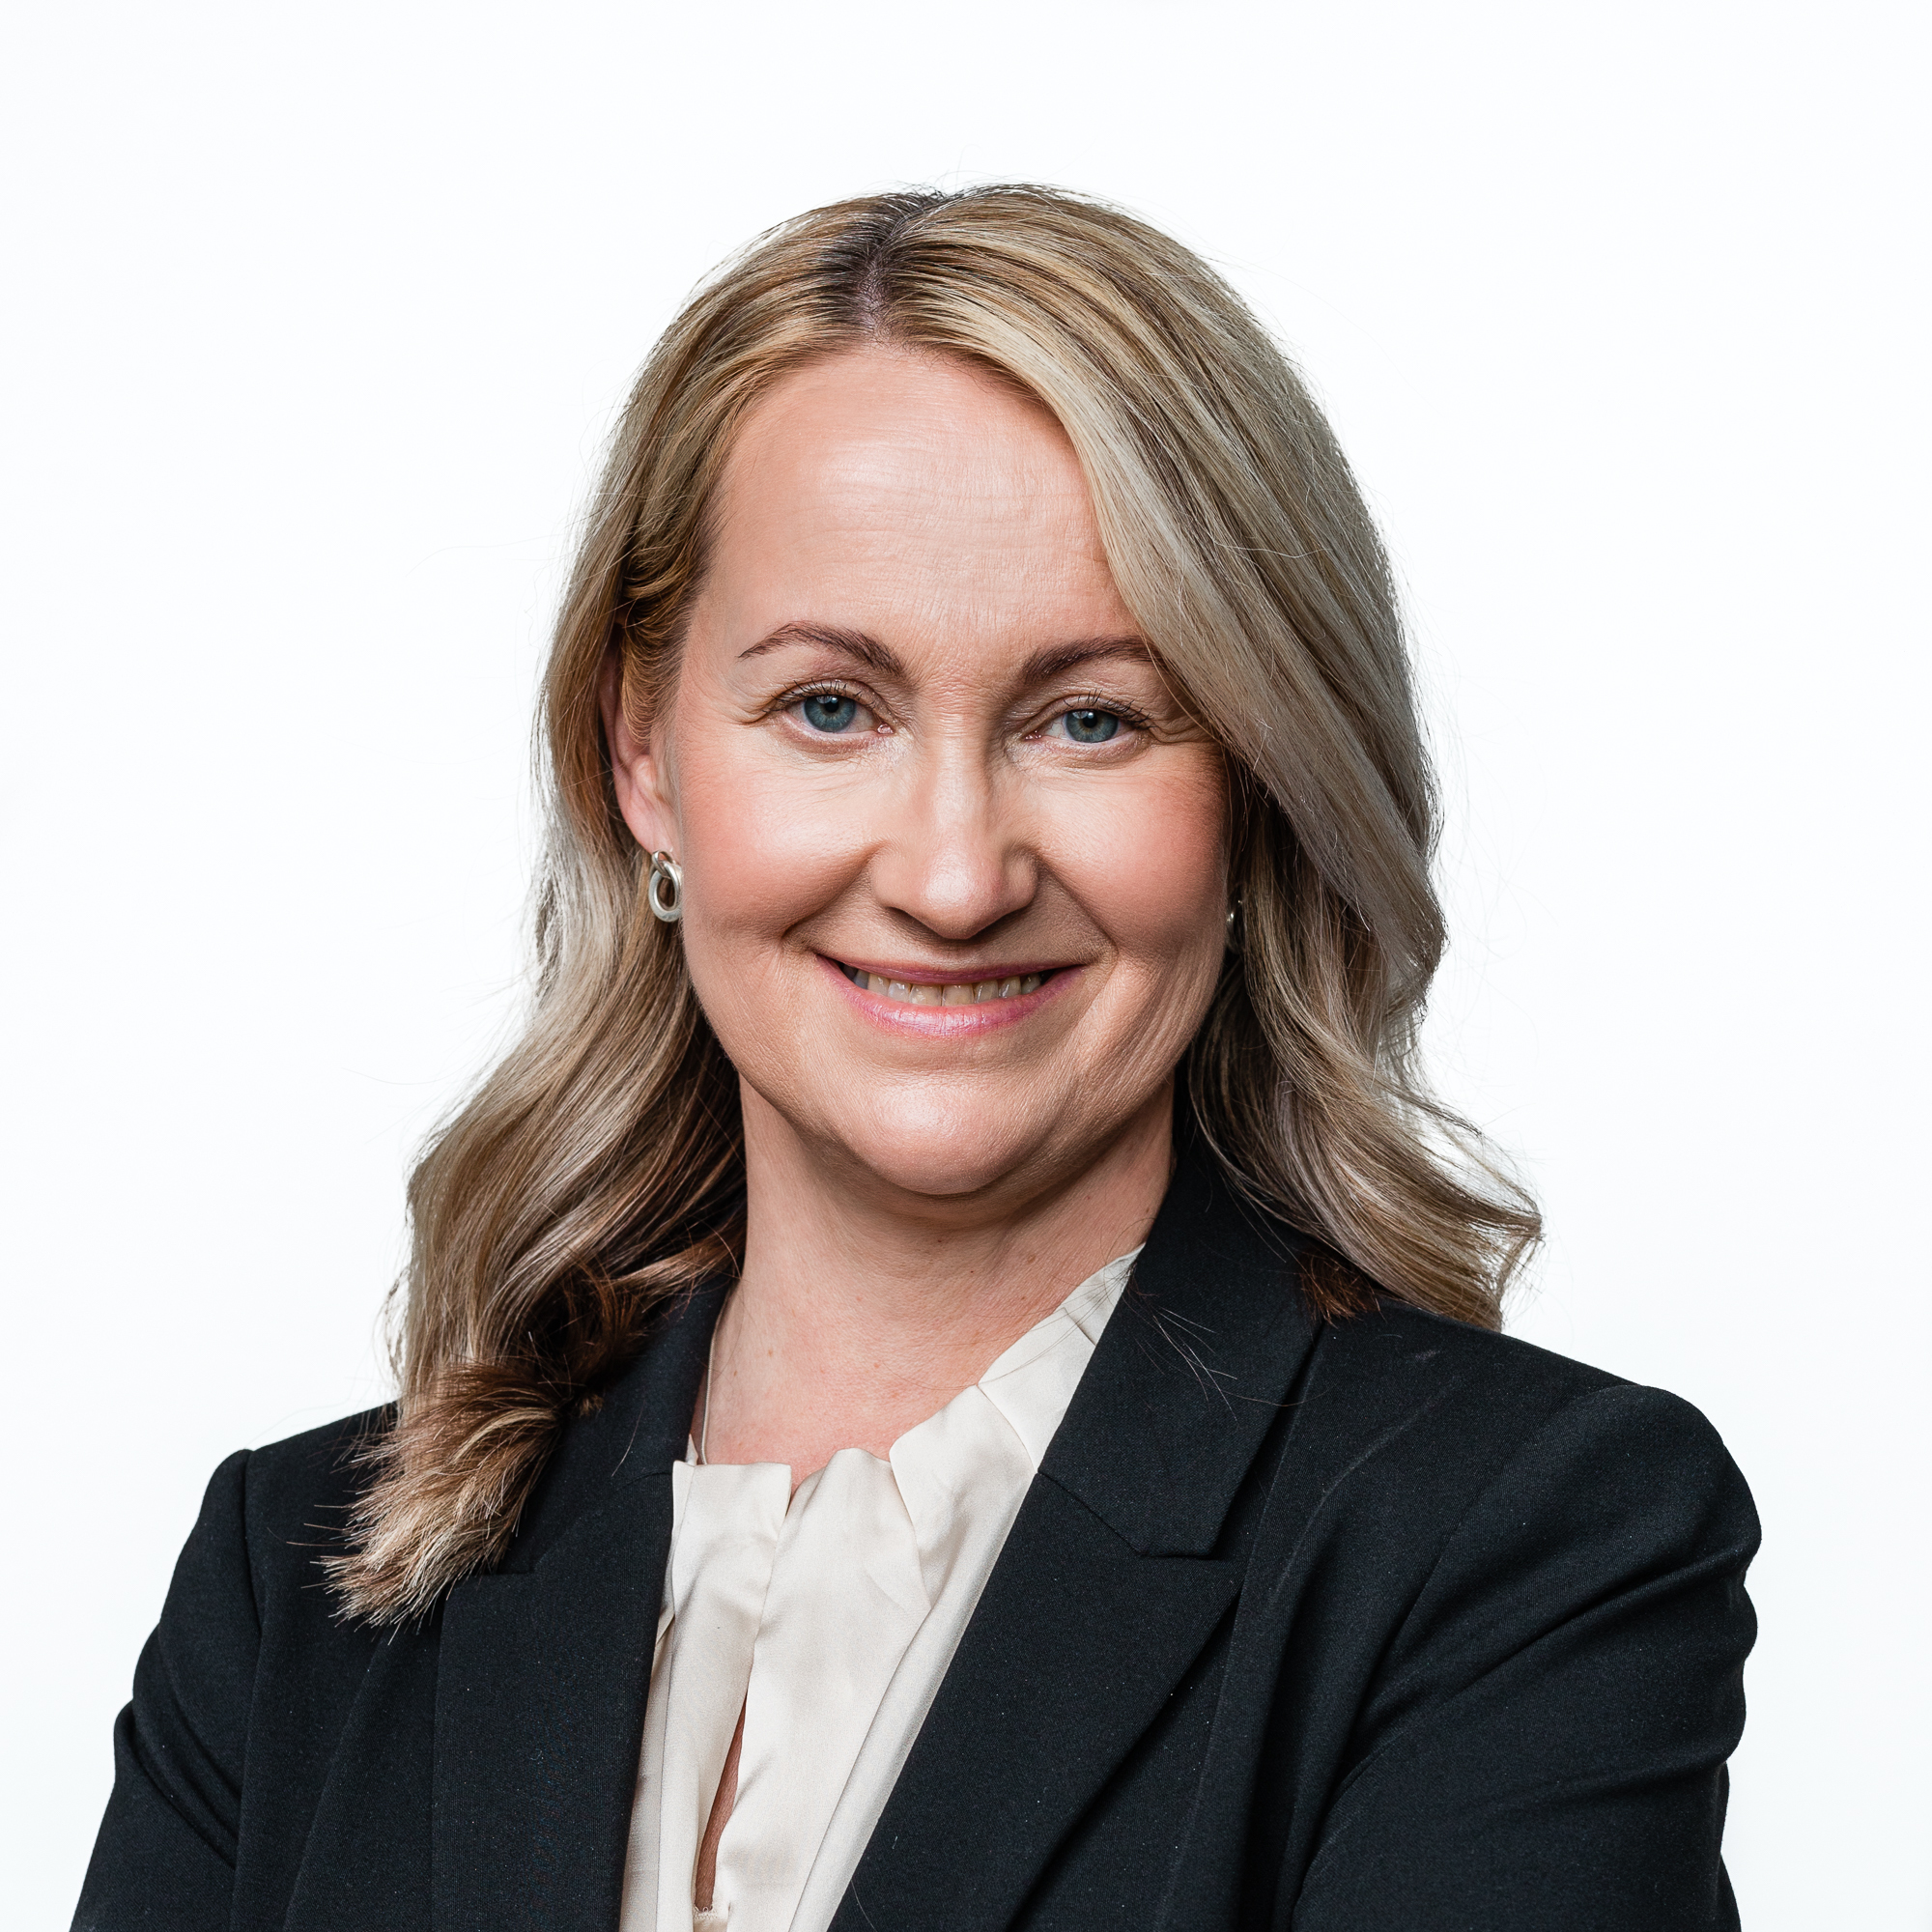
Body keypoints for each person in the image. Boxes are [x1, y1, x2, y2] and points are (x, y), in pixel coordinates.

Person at [73, 186, 1758, 1932]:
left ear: (1260, 784)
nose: (956, 878)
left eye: (1092, 718)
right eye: (830, 708)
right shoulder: (295, 1590)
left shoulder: (1522, 1548)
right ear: (644, 758)